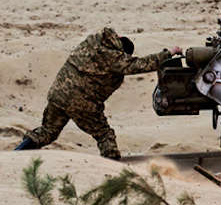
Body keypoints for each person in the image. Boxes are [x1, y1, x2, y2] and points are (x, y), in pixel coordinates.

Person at [14, 27, 181, 160]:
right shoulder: (115, 59)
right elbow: (141, 64)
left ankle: (15, 156)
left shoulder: (93, 42)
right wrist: (169, 53)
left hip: (58, 93)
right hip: (82, 102)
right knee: (104, 135)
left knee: (47, 131)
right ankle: (111, 171)